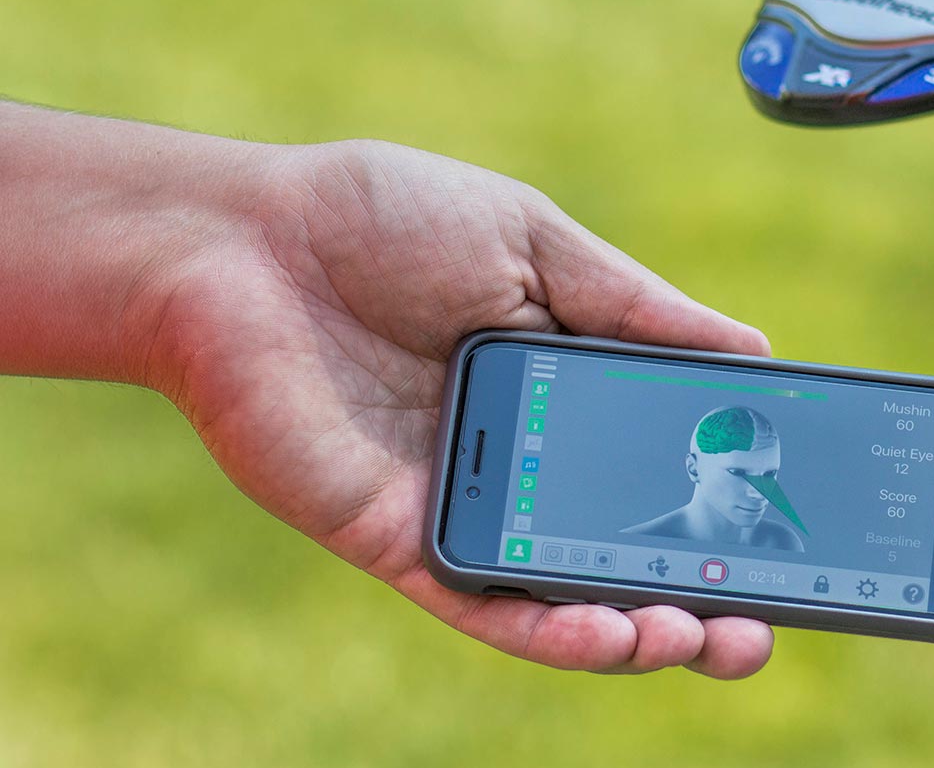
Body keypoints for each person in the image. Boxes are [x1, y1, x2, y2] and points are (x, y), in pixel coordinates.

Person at [0, 101, 775, 679]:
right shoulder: (659, 534)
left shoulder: (768, 544)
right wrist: (233, 247)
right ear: (695, 466)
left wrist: (227, 250)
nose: (764, 495)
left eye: (768, 476)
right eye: (747, 471)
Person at [623, 406, 805, 550]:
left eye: (769, 474)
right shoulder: (635, 542)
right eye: (738, 472)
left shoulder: (783, 543)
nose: (759, 493)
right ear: (693, 469)